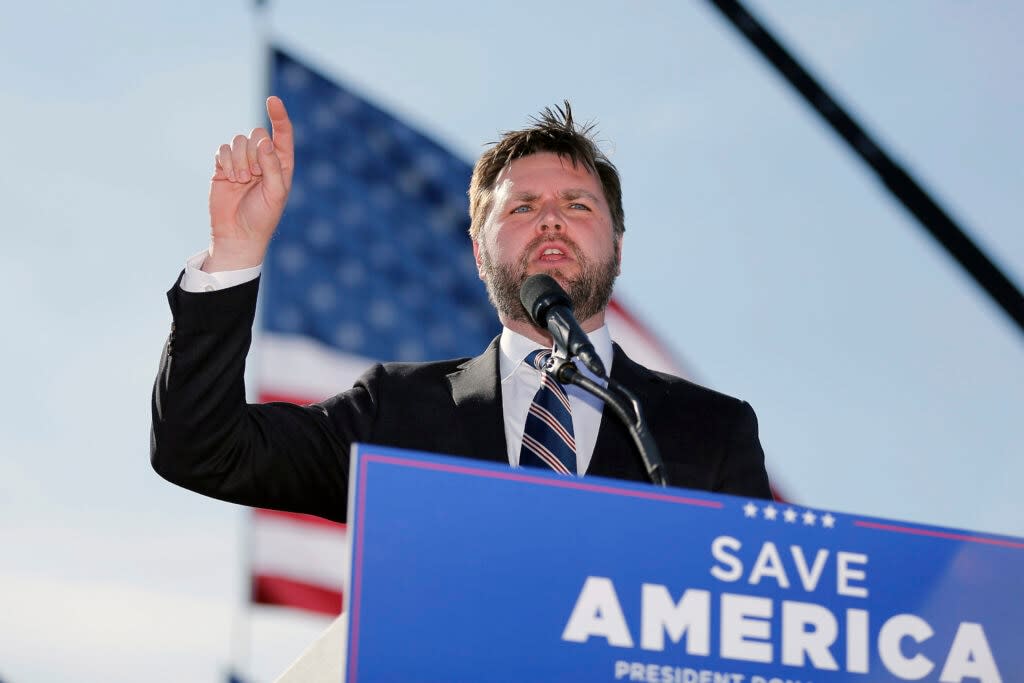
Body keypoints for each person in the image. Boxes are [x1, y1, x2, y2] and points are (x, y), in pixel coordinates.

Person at [151, 97, 772, 523]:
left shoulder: (712, 431)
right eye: (522, 207)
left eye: (579, 206)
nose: (551, 217)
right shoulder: (396, 412)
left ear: (617, 246)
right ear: (478, 251)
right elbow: (202, 449)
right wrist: (235, 252)